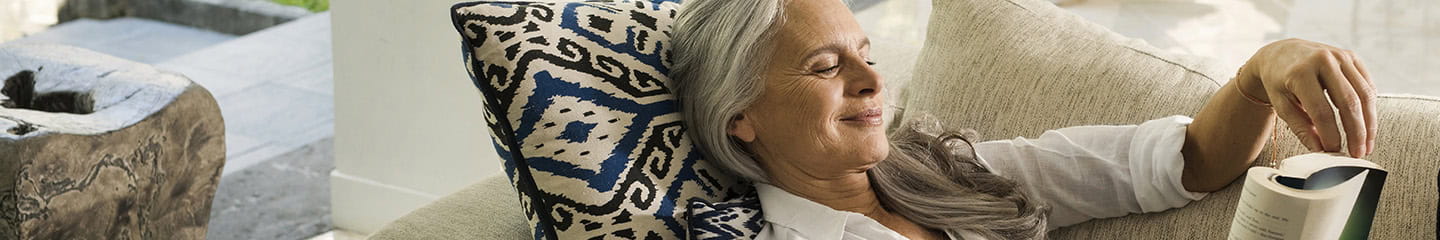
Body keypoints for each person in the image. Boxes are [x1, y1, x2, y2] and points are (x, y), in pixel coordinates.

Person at [668, 0, 1378, 239]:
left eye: (867, 54)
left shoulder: (950, 173)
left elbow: (1181, 163)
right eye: (827, 68)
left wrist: (1263, 70)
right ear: (741, 116)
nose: (872, 81)